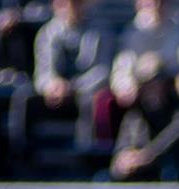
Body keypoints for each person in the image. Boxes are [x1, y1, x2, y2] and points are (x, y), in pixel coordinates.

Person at [17, 0, 111, 161]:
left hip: (83, 90)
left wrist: (73, 86)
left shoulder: (101, 30)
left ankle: (85, 156)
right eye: (64, 4)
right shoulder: (47, 32)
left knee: (91, 101)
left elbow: (102, 70)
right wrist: (50, 85)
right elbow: (42, 71)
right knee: (23, 98)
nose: (70, 8)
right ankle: (22, 155)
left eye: (75, 3)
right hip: (53, 92)